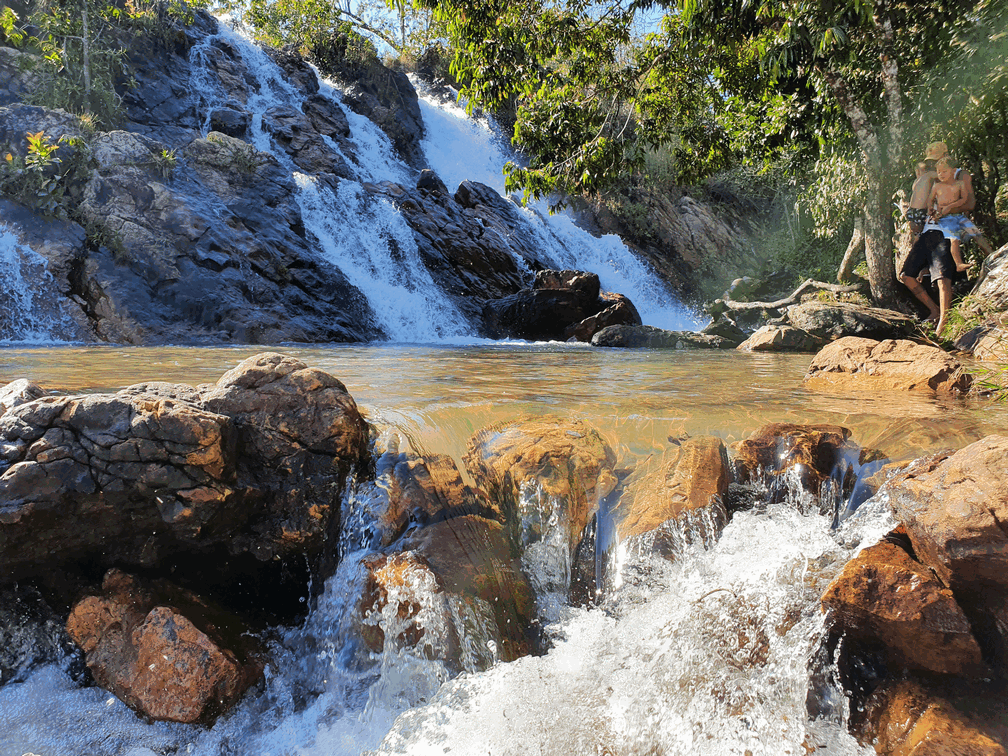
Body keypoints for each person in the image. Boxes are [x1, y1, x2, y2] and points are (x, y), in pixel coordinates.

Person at [927, 156, 975, 273]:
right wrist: (930, 210)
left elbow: (964, 199)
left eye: (944, 171)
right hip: (945, 218)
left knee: (975, 233)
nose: (941, 174)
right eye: (939, 172)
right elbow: (930, 200)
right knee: (954, 239)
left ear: (953, 171)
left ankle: (990, 253)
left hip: (958, 215)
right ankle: (958, 264)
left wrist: (950, 206)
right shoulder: (937, 186)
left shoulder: (960, 184)